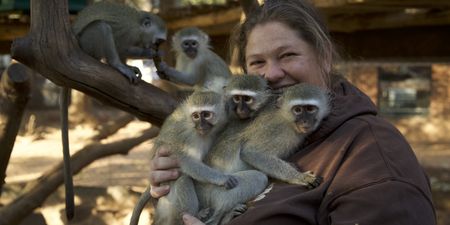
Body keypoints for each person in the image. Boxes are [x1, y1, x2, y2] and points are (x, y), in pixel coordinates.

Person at [149, 0, 437, 224]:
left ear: (324, 57)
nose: (271, 74)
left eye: (288, 55)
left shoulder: (373, 156)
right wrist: (171, 190)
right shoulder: (248, 123)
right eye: (257, 62)